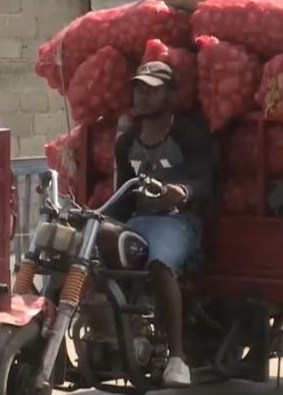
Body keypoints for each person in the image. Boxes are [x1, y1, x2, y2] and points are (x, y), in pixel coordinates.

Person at [110, 61, 218, 388]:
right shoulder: (126, 140)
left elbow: (205, 179)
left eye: (152, 90)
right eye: (139, 88)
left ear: (170, 94)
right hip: (139, 221)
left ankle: (177, 358)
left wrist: (184, 191)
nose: (142, 96)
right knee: (86, 252)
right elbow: (123, 194)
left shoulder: (188, 134)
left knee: (159, 264)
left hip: (179, 222)